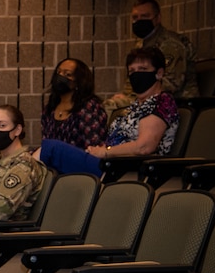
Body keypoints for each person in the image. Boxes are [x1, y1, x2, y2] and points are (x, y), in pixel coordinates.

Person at [36, 46, 180, 176]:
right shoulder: (135, 105)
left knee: (51, 149)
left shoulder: (162, 102)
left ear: (159, 73)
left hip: (124, 169)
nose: (136, 75)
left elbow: (144, 147)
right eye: (132, 71)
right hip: (107, 162)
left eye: (142, 70)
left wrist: (106, 152)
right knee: (34, 158)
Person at [103, 0, 198, 116]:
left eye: (145, 16)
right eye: (135, 17)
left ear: (157, 18)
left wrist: (135, 98)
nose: (139, 21)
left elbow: (170, 84)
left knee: (110, 107)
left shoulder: (171, 44)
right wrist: (126, 96)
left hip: (175, 101)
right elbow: (131, 80)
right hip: (144, 98)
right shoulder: (141, 44)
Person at [41, 58, 108, 150]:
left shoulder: (90, 108)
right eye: (58, 72)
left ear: (78, 81)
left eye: (67, 74)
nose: (60, 76)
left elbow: (94, 146)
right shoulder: (49, 109)